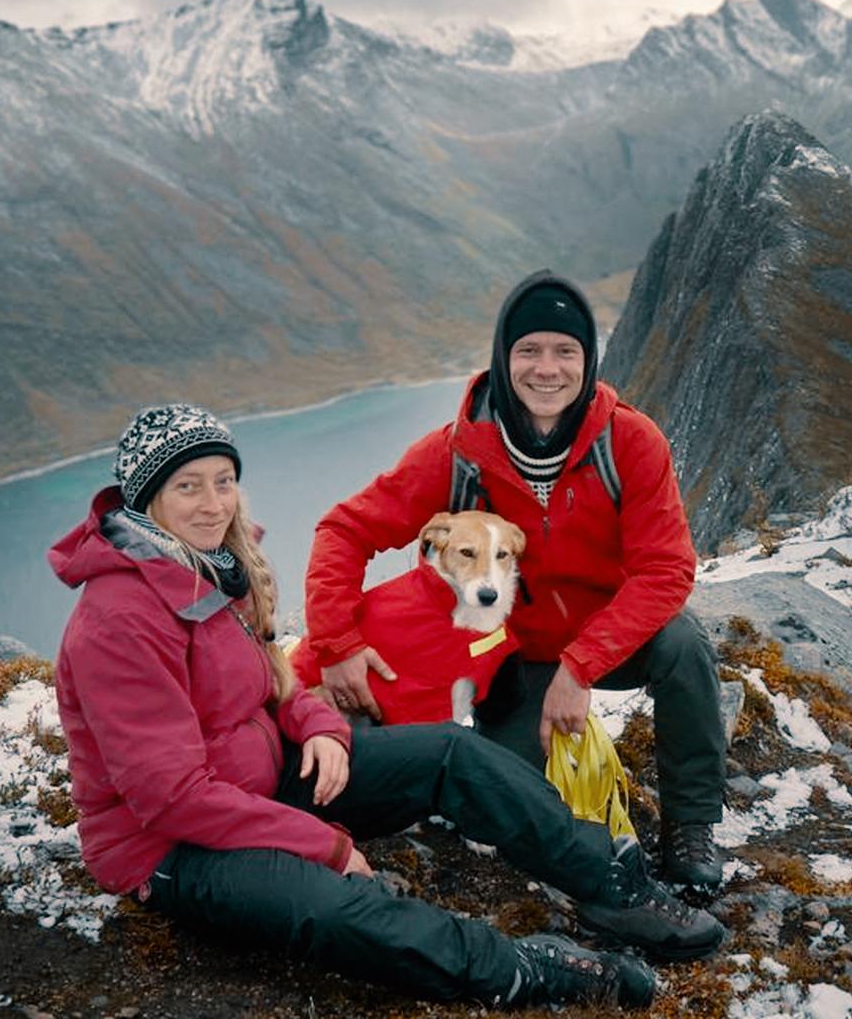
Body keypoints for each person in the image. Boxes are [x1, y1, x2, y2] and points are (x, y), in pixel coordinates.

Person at [48, 404, 723, 1010]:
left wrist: (316, 727)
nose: (212, 504)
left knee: (449, 752)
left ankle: (610, 886)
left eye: (223, 480)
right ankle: (521, 969)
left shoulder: (215, 568)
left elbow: (275, 679)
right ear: (145, 500)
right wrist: (327, 845)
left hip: (266, 778)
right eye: (187, 486)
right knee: (333, 908)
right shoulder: (119, 620)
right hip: (171, 846)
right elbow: (169, 798)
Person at [303, 272, 727, 897]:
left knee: (684, 647)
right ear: (504, 358)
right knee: (513, 815)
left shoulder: (631, 443)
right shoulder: (457, 452)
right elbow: (345, 530)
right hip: (507, 662)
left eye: (566, 351)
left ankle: (691, 826)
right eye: (528, 350)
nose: (546, 369)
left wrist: (581, 667)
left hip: (600, 639)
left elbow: (665, 569)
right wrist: (335, 642)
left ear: (588, 360)